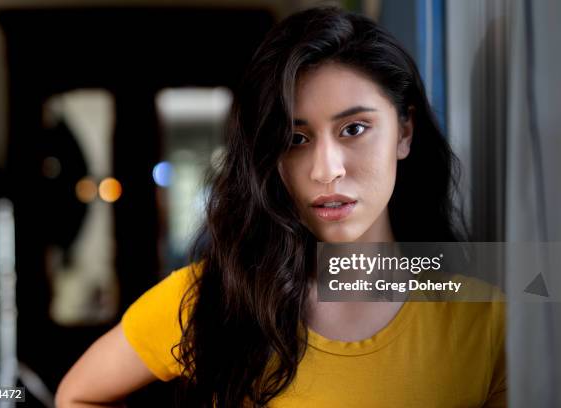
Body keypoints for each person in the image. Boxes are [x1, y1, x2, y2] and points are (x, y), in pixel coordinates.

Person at [56, 6, 506, 407]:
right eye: (295, 138)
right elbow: (76, 395)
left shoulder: (486, 319)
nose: (326, 170)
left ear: (404, 132)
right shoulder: (213, 299)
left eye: (354, 129)